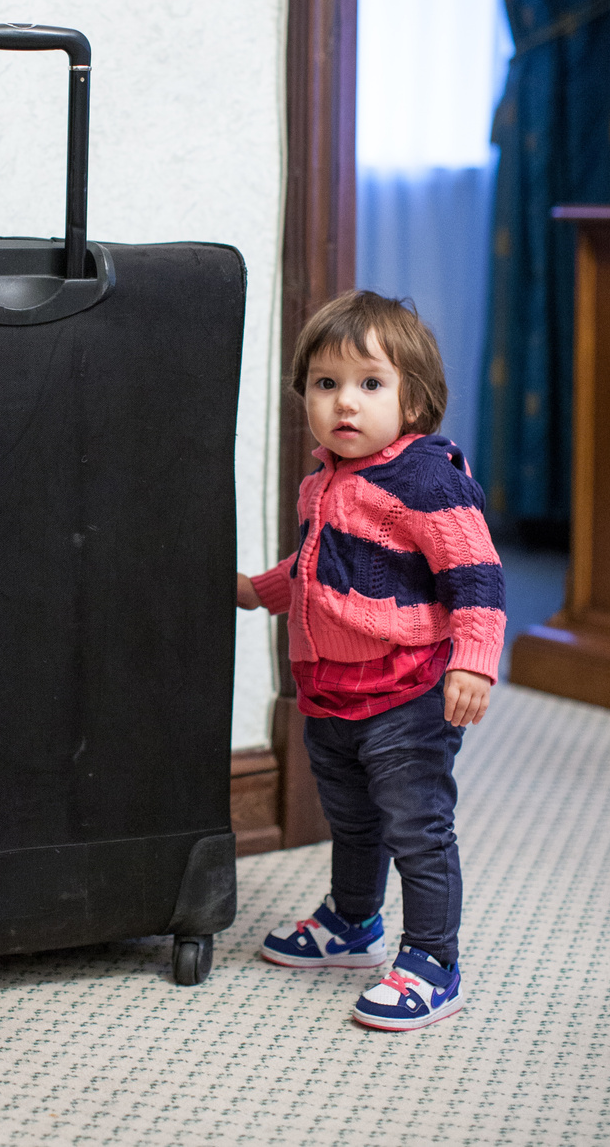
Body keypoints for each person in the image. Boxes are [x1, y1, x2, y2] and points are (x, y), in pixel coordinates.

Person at [238, 290, 504, 1030]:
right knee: (352, 820)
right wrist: (261, 591)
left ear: (413, 399)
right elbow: (320, 566)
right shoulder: (323, 481)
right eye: (325, 385)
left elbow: (476, 574)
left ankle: (433, 959)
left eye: (369, 384)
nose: (343, 403)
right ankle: (353, 923)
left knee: (417, 825)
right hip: (330, 692)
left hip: (408, 689)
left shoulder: (427, 481)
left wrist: (475, 660)